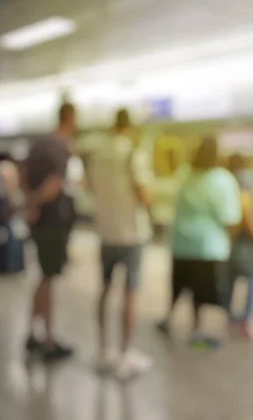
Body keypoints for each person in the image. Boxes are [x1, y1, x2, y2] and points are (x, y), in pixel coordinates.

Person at [157, 137, 242, 348]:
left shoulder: (185, 174)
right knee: (201, 292)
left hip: (181, 243)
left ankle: (169, 319)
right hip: (208, 247)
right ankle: (197, 330)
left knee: (178, 285)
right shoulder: (223, 179)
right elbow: (230, 217)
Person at [88, 109, 154, 378]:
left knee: (104, 290)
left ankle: (104, 349)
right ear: (130, 126)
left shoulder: (98, 154)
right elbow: (144, 193)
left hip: (106, 232)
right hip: (132, 234)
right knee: (130, 292)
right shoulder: (133, 153)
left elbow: (92, 187)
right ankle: (126, 352)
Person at [23, 102, 77, 361]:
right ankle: (48, 337)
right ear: (70, 118)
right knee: (48, 278)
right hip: (53, 220)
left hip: (39, 223)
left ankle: (33, 333)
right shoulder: (59, 147)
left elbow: (23, 176)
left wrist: (29, 202)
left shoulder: (38, 145)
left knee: (43, 276)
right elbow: (54, 184)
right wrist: (35, 204)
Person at [226, 154, 253, 344]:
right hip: (245, 246)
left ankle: (231, 315)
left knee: (231, 281)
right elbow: (249, 221)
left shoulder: (227, 188)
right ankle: (246, 320)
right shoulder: (245, 192)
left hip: (231, 245)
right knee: (252, 281)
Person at [0, 152, 24, 275]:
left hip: (1, 201)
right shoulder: (9, 166)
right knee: (9, 233)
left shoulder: (1, 167)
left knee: (3, 233)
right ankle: (12, 265)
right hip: (6, 200)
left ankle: (4, 265)